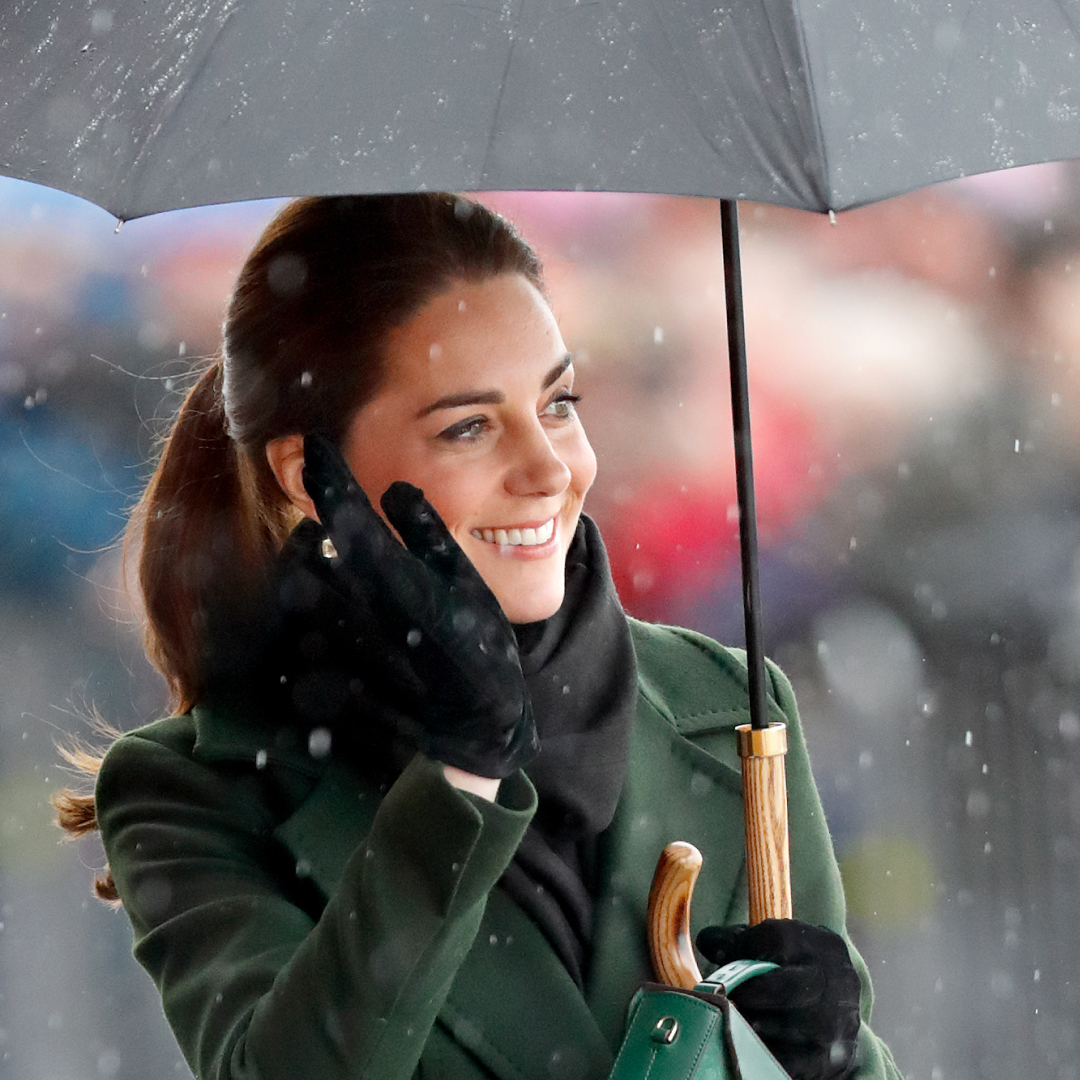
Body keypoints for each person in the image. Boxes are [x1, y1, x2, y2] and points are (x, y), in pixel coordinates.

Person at [54, 194, 901, 1080]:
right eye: (469, 426)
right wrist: (464, 768)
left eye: (559, 404)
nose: (548, 469)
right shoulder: (195, 786)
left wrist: (840, 1063)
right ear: (314, 474)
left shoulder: (731, 709)